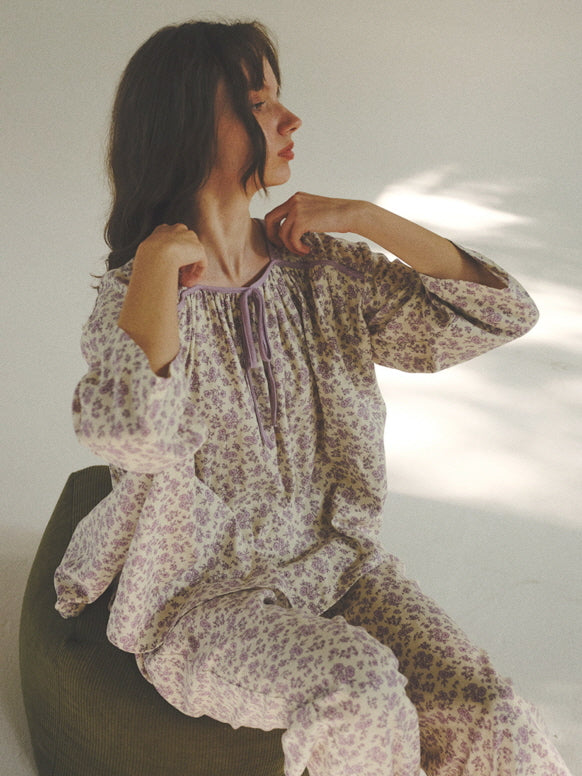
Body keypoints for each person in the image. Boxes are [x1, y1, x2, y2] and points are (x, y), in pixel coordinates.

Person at [55, 19, 572, 776]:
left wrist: (364, 217)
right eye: (259, 103)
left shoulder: (323, 272)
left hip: (341, 571)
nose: (289, 121)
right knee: (358, 689)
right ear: (190, 123)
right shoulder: (142, 296)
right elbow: (133, 438)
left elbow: (502, 313)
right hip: (205, 604)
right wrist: (155, 266)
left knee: (484, 709)